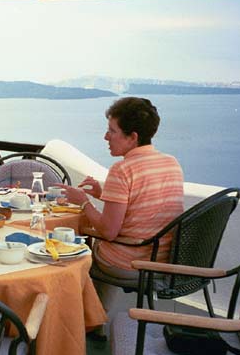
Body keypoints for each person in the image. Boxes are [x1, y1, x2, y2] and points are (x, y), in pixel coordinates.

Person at [57, 97, 184, 308]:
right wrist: (103, 193)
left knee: (74, 249)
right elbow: (142, 201)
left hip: (130, 260)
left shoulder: (122, 170)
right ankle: (97, 319)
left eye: (112, 131)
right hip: (162, 258)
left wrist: (84, 202)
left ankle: (81, 316)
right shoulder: (170, 162)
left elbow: (109, 232)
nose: (106, 137)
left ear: (132, 137)